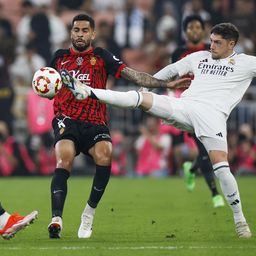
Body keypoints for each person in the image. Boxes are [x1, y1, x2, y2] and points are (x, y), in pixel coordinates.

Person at [63, 22, 254, 238]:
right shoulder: (200, 57)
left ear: (232, 44)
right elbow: (172, 70)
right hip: (185, 107)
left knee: (222, 169)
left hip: (213, 116)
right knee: (139, 98)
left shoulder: (246, 63)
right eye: (211, 41)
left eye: (218, 43)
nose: (212, 46)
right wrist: (148, 86)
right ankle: (87, 91)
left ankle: (240, 222)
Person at [47, 14, 188, 239]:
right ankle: (56, 219)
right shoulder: (59, 57)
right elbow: (48, 85)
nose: (80, 34)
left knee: (105, 156)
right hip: (67, 119)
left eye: (85, 30)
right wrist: (44, 89)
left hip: (95, 121)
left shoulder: (101, 56)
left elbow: (134, 75)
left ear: (93, 34)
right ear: (71, 33)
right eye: (76, 30)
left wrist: (164, 83)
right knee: (64, 159)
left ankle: (89, 213)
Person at [171, 14, 225, 208]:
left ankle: (192, 169)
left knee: (209, 148)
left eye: (197, 27)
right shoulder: (179, 52)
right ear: (185, 31)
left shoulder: (211, 50)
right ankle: (215, 194)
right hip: (189, 105)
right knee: (204, 148)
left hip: (210, 104)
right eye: (190, 27)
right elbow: (173, 76)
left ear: (203, 30)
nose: (194, 30)